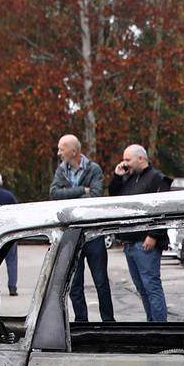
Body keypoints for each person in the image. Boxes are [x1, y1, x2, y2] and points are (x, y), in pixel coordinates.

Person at [50, 133, 112, 321]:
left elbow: (95, 196)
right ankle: (81, 321)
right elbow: (54, 194)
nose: (59, 152)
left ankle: (108, 322)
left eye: (62, 148)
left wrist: (70, 195)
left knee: (101, 282)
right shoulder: (61, 171)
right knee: (75, 284)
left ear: (73, 151)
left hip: (94, 235)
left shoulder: (93, 169)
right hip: (72, 235)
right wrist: (81, 190)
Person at [109, 144, 171, 321]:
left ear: (141, 158)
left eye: (128, 160)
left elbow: (164, 209)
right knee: (141, 288)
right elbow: (114, 197)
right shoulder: (129, 179)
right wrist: (117, 177)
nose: (124, 163)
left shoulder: (157, 179)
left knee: (151, 286)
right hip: (130, 242)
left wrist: (154, 234)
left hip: (146, 242)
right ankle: (151, 323)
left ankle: (160, 326)